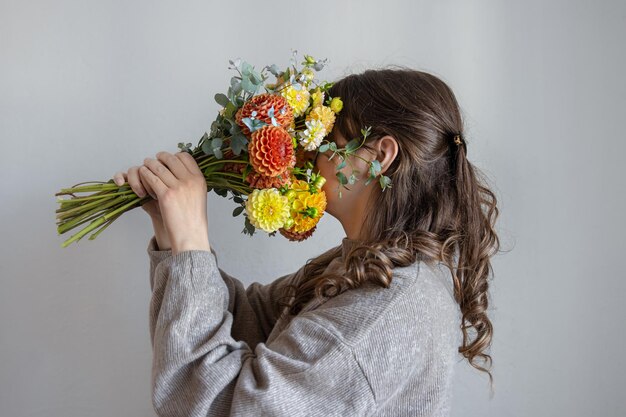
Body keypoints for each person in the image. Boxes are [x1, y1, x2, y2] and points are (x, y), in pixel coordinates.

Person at [113, 67, 500, 417]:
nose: (309, 153)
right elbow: (250, 318)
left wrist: (192, 244)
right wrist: (172, 234)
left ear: (380, 155)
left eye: (329, 136)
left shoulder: (387, 309)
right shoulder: (366, 263)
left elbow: (223, 406)